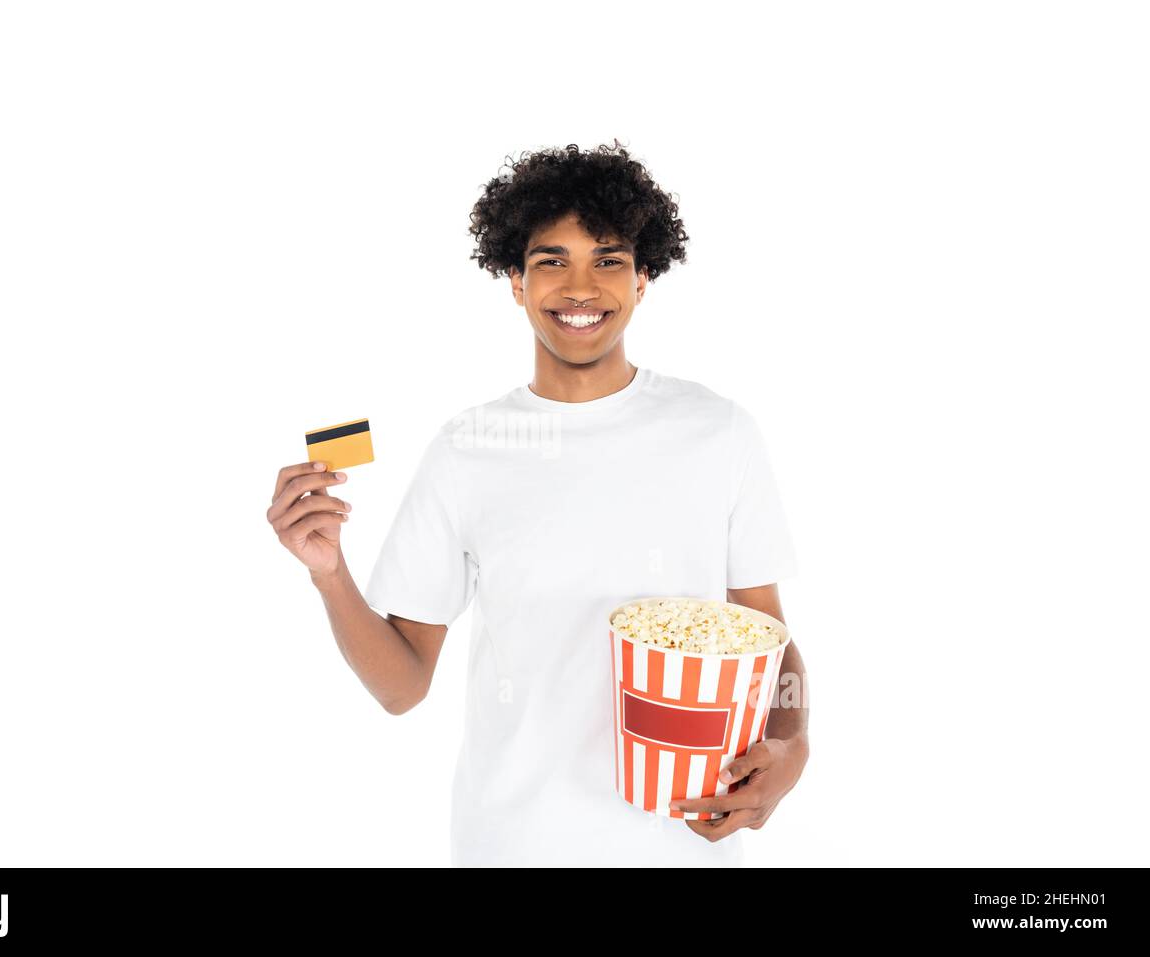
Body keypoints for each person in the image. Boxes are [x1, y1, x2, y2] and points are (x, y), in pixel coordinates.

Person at [267, 140, 809, 867]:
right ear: (515, 282)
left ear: (644, 279)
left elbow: (767, 642)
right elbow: (401, 688)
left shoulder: (720, 433)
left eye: (608, 259)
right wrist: (329, 572)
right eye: (552, 260)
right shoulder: (468, 448)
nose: (580, 288)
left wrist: (793, 747)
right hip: (513, 846)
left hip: (684, 845)